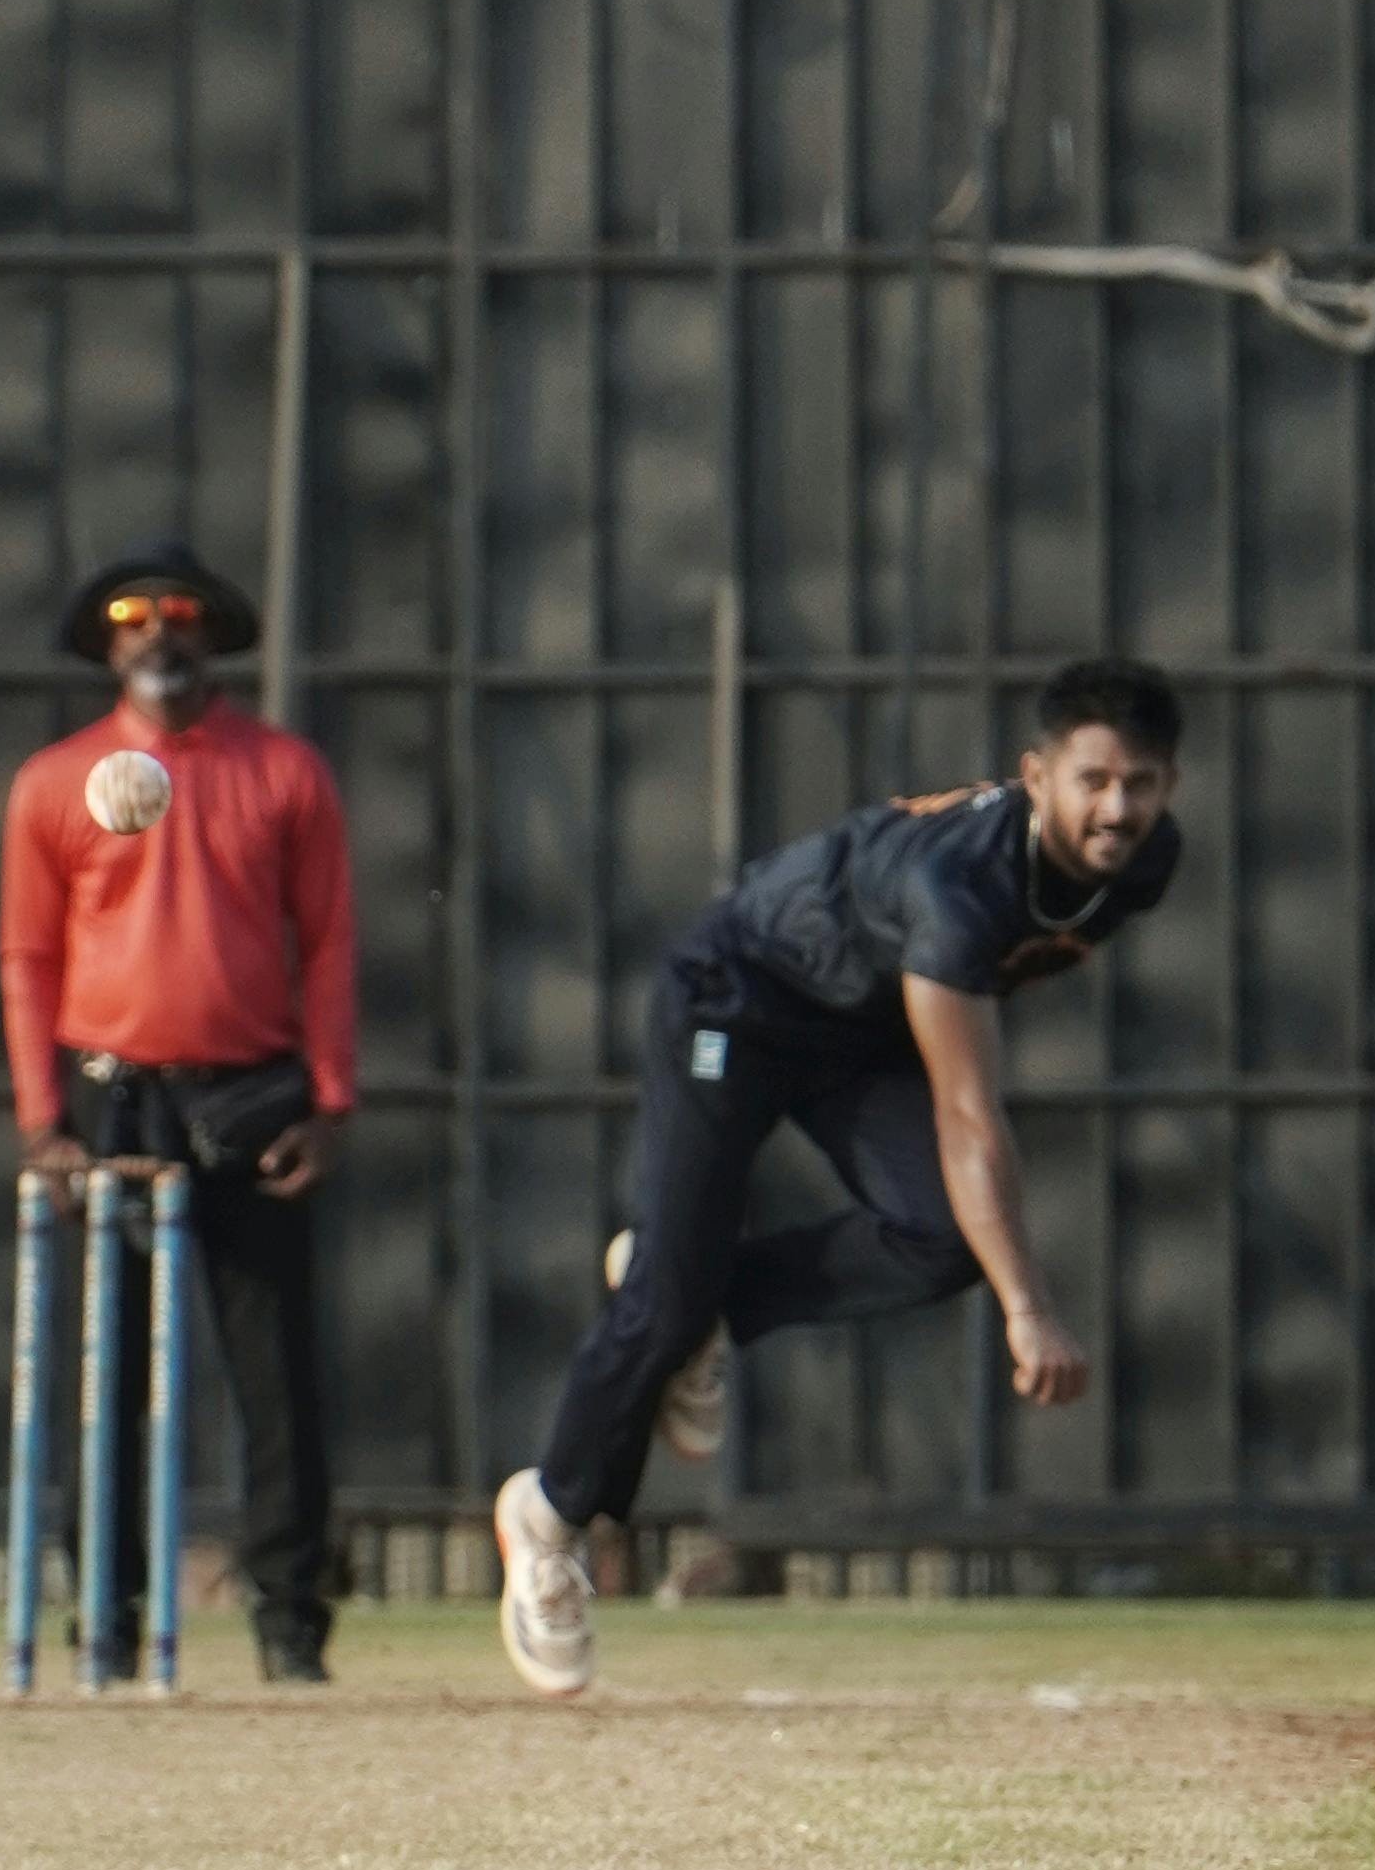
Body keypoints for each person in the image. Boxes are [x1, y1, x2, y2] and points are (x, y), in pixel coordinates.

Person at [492, 655, 1185, 1698]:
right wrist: (1029, 1308)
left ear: (1168, 786)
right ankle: (545, 1513)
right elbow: (966, 1113)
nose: (1116, 807)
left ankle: (706, 1304)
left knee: (944, 1238)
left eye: (1139, 783)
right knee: (668, 1298)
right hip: (737, 997)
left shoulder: (1145, 863)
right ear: (1035, 776)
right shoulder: (960, 889)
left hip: (858, 1030)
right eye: (1092, 780)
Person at [0, 546, 356, 1685]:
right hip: (113, 1099)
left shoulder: (282, 772)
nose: (159, 632)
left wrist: (330, 1098)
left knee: (274, 1374)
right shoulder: (55, 781)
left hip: (252, 1092)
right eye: (132, 616)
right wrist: (40, 1119)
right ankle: (106, 1614)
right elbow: (26, 956)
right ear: (106, 644)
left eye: (181, 615)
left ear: (214, 636)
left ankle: (291, 1625)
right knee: (111, 1377)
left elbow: (331, 940)